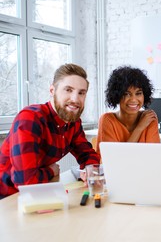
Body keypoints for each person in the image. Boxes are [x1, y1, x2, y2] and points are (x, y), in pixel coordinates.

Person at [0, 63, 100, 198]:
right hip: (7, 197)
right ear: (52, 91)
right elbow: (26, 182)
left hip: (38, 193)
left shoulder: (73, 122)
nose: (75, 99)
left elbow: (87, 154)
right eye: (68, 90)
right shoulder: (30, 119)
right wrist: (50, 171)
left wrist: (91, 170)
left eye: (81, 93)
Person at [96, 66, 160, 156]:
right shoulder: (107, 120)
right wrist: (139, 128)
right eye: (126, 94)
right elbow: (115, 160)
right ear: (117, 95)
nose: (133, 100)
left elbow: (153, 157)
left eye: (138, 93)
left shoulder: (149, 118)